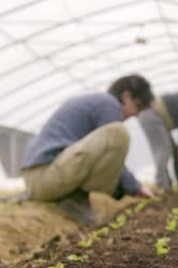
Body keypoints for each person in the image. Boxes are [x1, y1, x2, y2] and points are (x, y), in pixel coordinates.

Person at [20, 74, 155, 226]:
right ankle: (74, 199)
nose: (136, 114)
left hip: (39, 180)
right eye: (138, 106)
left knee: (115, 137)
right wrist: (136, 187)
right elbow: (115, 157)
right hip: (45, 178)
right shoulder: (109, 104)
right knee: (118, 133)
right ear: (126, 96)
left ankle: (75, 198)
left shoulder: (96, 103)